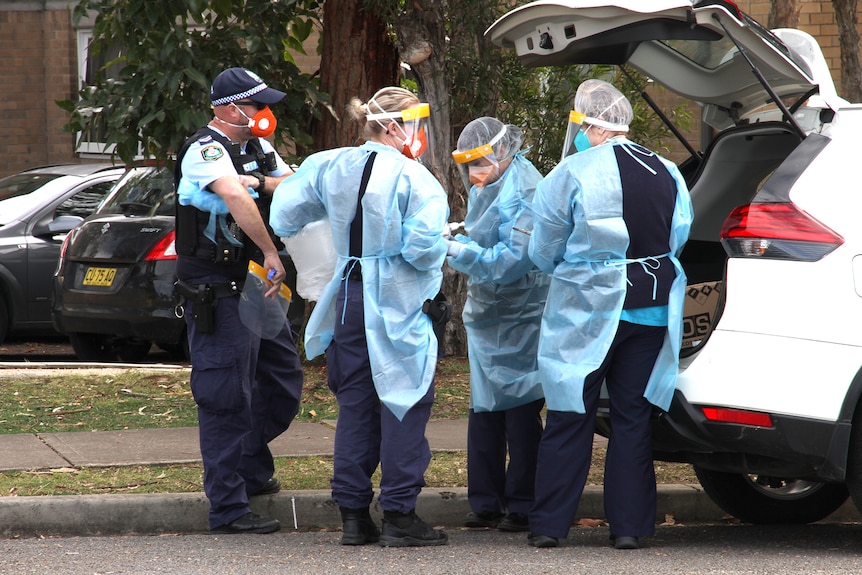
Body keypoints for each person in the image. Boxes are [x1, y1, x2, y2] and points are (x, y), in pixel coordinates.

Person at [270, 86, 450, 547]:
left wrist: (334, 247)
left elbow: (286, 211)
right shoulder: (418, 180)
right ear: (396, 126)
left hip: (348, 296)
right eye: (416, 125)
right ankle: (400, 515)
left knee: (355, 404)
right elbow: (422, 248)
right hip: (399, 299)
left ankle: (353, 514)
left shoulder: (330, 165)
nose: (420, 135)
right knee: (404, 402)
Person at [526, 79, 693, 549]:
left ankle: (548, 526)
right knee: (632, 418)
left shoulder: (570, 172)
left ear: (588, 123)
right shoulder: (667, 170)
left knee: (569, 412)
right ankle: (630, 529)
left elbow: (544, 249)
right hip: (651, 309)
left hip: (585, 312)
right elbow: (678, 234)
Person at [173, 67, 305, 534]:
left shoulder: (258, 148)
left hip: (257, 287)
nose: (265, 113)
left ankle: (249, 465)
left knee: (283, 382)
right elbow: (231, 192)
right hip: (218, 289)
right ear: (232, 109)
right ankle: (228, 506)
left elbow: (292, 186)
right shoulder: (204, 149)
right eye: (257, 105)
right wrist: (270, 248)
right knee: (226, 397)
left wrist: (260, 184)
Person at [446, 117, 549, 532]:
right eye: (468, 165)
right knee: (485, 406)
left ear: (503, 152)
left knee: (521, 406)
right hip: (489, 309)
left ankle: (522, 502)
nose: (474, 174)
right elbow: (483, 235)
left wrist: (457, 250)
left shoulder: (525, 188)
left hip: (521, 308)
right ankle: (485, 501)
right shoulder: (488, 185)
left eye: (480, 162)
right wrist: (462, 239)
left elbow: (512, 262)